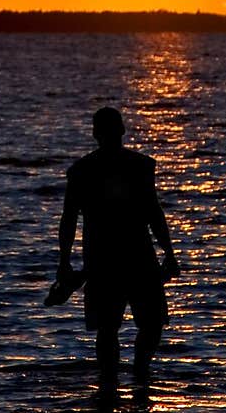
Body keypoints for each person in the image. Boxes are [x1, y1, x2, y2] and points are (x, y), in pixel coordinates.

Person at [52, 106, 180, 387]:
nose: (111, 135)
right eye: (106, 130)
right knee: (110, 327)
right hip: (105, 259)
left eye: (112, 129)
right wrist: (64, 262)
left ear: (120, 131)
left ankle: (137, 375)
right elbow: (69, 218)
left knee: (149, 324)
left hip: (136, 257)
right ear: (98, 134)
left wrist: (169, 253)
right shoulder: (82, 172)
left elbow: (153, 212)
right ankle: (115, 381)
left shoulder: (140, 166)